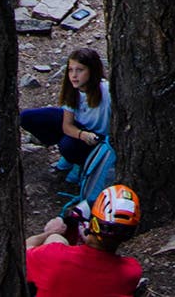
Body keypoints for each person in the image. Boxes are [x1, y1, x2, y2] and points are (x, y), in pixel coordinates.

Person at [24, 183, 143, 297]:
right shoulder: (131, 272)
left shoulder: (53, 255)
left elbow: (22, 253)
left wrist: (50, 233)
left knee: (55, 238)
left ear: (93, 224)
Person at [20, 48, 110, 184]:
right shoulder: (72, 90)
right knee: (27, 117)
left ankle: (81, 162)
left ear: (92, 71)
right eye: (70, 70)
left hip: (99, 138)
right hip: (81, 131)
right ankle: (71, 157)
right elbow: (67, 126)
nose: (74, 75)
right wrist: (82, 135)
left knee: (67, 145)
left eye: (80, 70)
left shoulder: (106, 90)